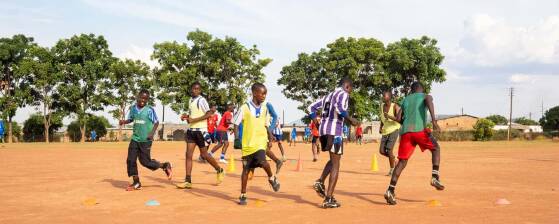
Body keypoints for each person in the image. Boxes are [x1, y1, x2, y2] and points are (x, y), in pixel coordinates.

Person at [384, 82, 445, 205]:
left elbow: (399, 119)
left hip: (406, 132)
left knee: (402, 162)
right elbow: (428, 98)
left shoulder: (406, 100)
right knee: (436, 148)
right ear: (420, 89)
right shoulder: (424, 95)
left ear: (412, 90)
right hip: (419, 130)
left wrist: (391, 117)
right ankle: (435, 177)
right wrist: (433, 120)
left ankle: (390, 190)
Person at [308, 77, 359, 208]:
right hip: (335, 131)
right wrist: (350, 119)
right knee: (336, 164)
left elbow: (311, 107)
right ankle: (328, 198)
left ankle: (320, 181)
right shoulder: (343, 93)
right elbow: (339, 108)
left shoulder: (328, 96)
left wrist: (316, 121)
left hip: (323, 132)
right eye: (351, 89)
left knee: (333, 159)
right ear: (347, 86)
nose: (350, 92)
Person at [233, 83, 281, 205]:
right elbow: (236, 123)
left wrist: (270, 136)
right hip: (248, 144)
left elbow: (266, 124)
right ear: (254, 93)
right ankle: (243, 195)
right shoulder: (244, 107)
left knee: (263, 161)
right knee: (246, 169)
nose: (264, 96)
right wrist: (237, 138)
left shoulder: (265, 108)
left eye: (265, 94)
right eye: (262, 93)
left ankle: (271, 178)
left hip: (260, 141)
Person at [119, 89, 173, 191]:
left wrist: (151, 133)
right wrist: (124, 121)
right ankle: (136, 182)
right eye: (141, 97)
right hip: (135, 138)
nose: (143, 100)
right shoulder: (133, 108)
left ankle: (165, 165)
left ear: (147, 100)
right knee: (130, 160)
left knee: (145, 162)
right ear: (137, 97)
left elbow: (156, 122)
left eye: (145, 99)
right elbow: (131, 119)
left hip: (146, 140)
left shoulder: (149, 110)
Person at [176, 82, 225, 189]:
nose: (195, 91)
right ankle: (187, 181)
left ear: (200, 90)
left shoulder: (202, 100)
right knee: (188, 155)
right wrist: (186, 117)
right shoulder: (190, 100)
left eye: (197, 89)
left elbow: (209, 114)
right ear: (191, 89)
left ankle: (219, 170)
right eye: (193, 89)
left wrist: (194, 119)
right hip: (191, 131)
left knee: (204, 155)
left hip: (201, 132)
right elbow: (193, 115)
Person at [379, 90, 401, 176]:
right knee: (381, 151)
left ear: (389, 97)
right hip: (385, 130)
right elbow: (382, 117)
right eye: (383, 95)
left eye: (384, 96)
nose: (383, 97)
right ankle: (394, 159)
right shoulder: (381, 106)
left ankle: (392, 170)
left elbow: (399, 119)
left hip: (394, 129)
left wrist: (389, 116)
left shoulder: (395, 106)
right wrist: (381, 126)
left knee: (389, 150)